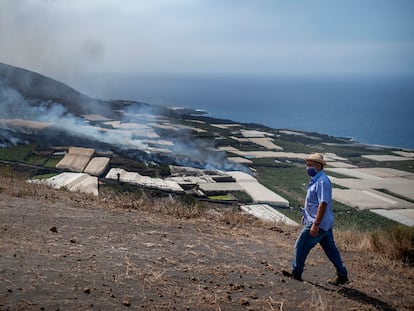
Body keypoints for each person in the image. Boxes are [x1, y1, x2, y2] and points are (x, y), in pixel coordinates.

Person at [282, 153, 349, 285]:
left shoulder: (322, 181)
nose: (307, 167)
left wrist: (315, 224)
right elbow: (314, 203)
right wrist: (307, 214)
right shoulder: (317, 179)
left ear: (319, 165)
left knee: (300, 245)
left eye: (310, 165)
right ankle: (342, 275)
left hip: (319, 223)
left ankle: (296, 272)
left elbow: (323, 203)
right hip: (324, 223)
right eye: (307, 165)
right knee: (331, 250)